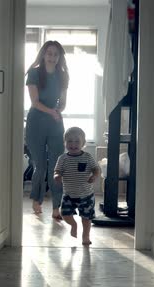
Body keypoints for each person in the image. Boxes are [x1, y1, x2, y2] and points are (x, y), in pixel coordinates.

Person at [25, 41, 69, 219]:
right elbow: (35, 102)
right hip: (36, 122)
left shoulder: (63, 76)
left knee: (56, 167)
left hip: (55, 122)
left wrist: (59, 110)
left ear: (59, 57)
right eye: (49, 53)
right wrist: (52, 111)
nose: (52, 57)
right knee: (40, 166)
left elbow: (63, 101)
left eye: (56, 54)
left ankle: (57, 207)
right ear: (43, 54)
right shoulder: (34, 73)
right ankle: (37, 199)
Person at [53, 127, 101, 246]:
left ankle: (85, 236)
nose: (73, 144)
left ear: (83, 143)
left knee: (86, 218)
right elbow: (57, 171)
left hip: (86, 195)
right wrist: (57, 176)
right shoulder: (62, 158)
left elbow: (96, 169)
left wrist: (94, 176)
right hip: (68, 195)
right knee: (64, 214)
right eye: (69, 141)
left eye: (76, 141)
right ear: (65, 143)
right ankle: (73, 225)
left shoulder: (87, 157)